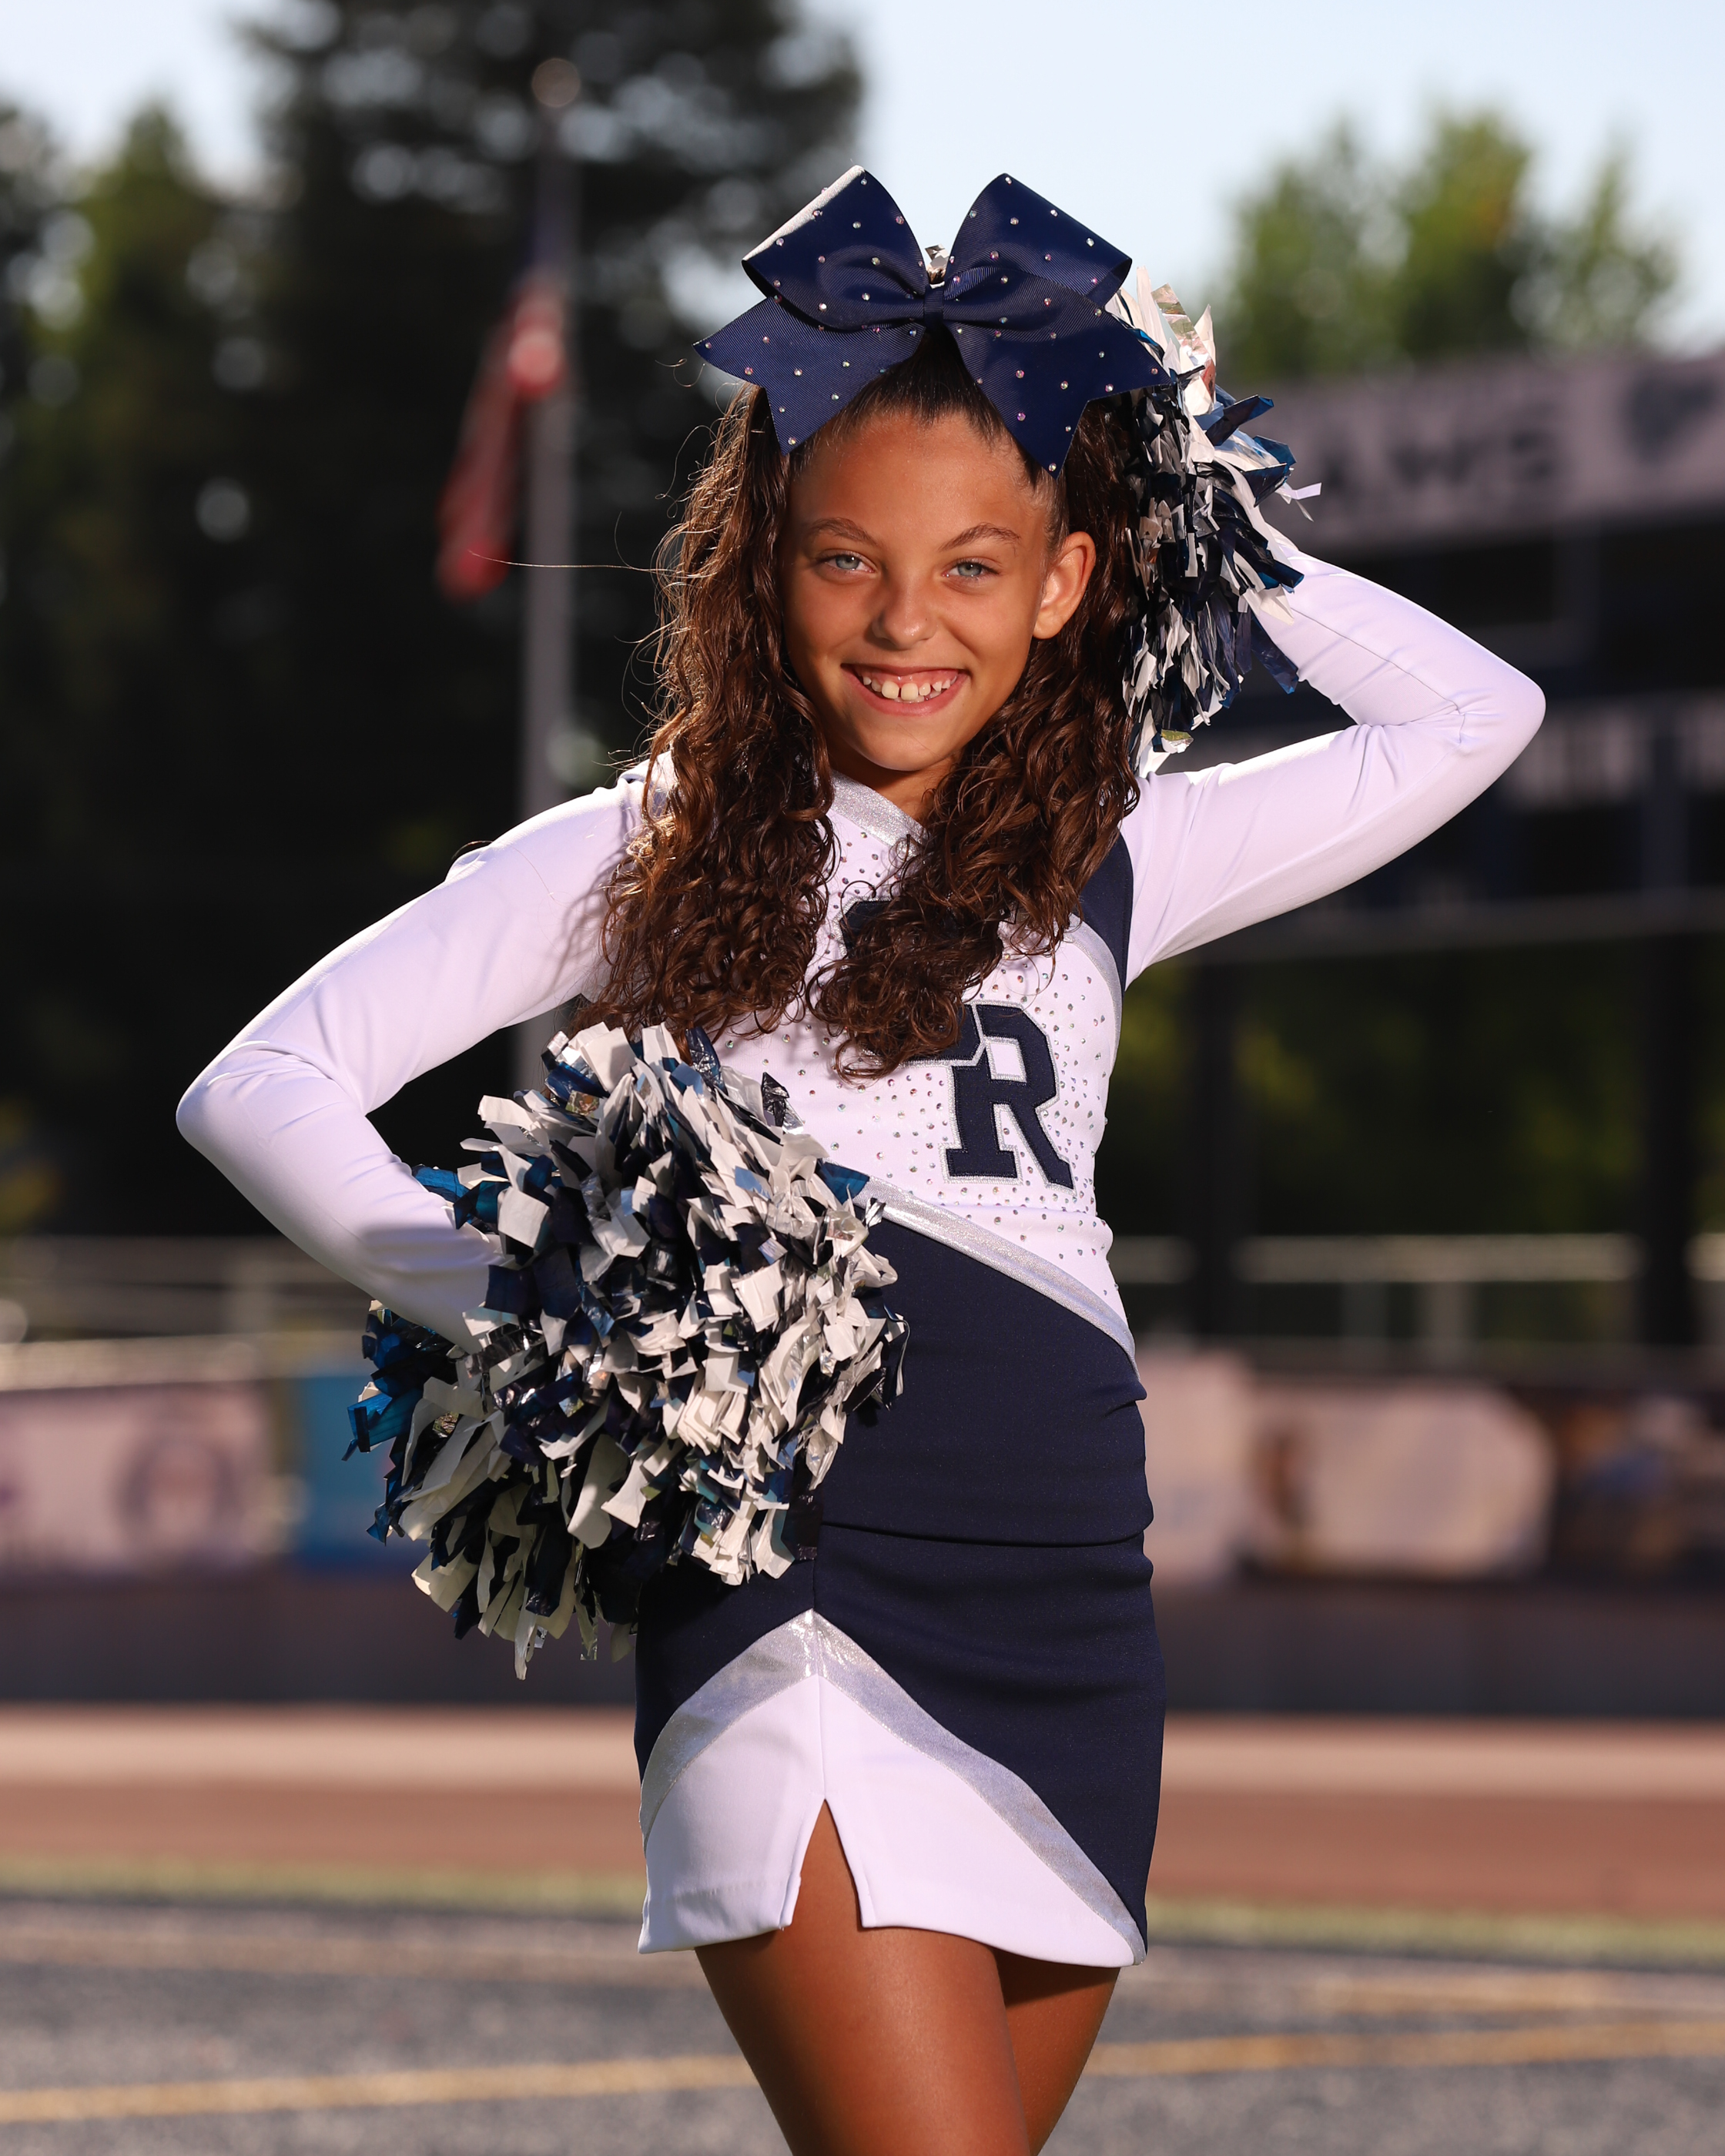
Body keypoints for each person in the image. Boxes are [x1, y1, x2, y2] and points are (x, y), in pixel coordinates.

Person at [179, 169, 1542, 2155]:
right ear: (765, 567)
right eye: (847, 560)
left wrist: (1206, 515)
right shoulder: (644, 846)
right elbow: (264, 1082)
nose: (910, 622)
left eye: (979, 564)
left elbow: (1475, 717)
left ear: (1068, 581)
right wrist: (540, 1302)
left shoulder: (1115, 854)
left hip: (1070, 1598)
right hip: (800, 1591)